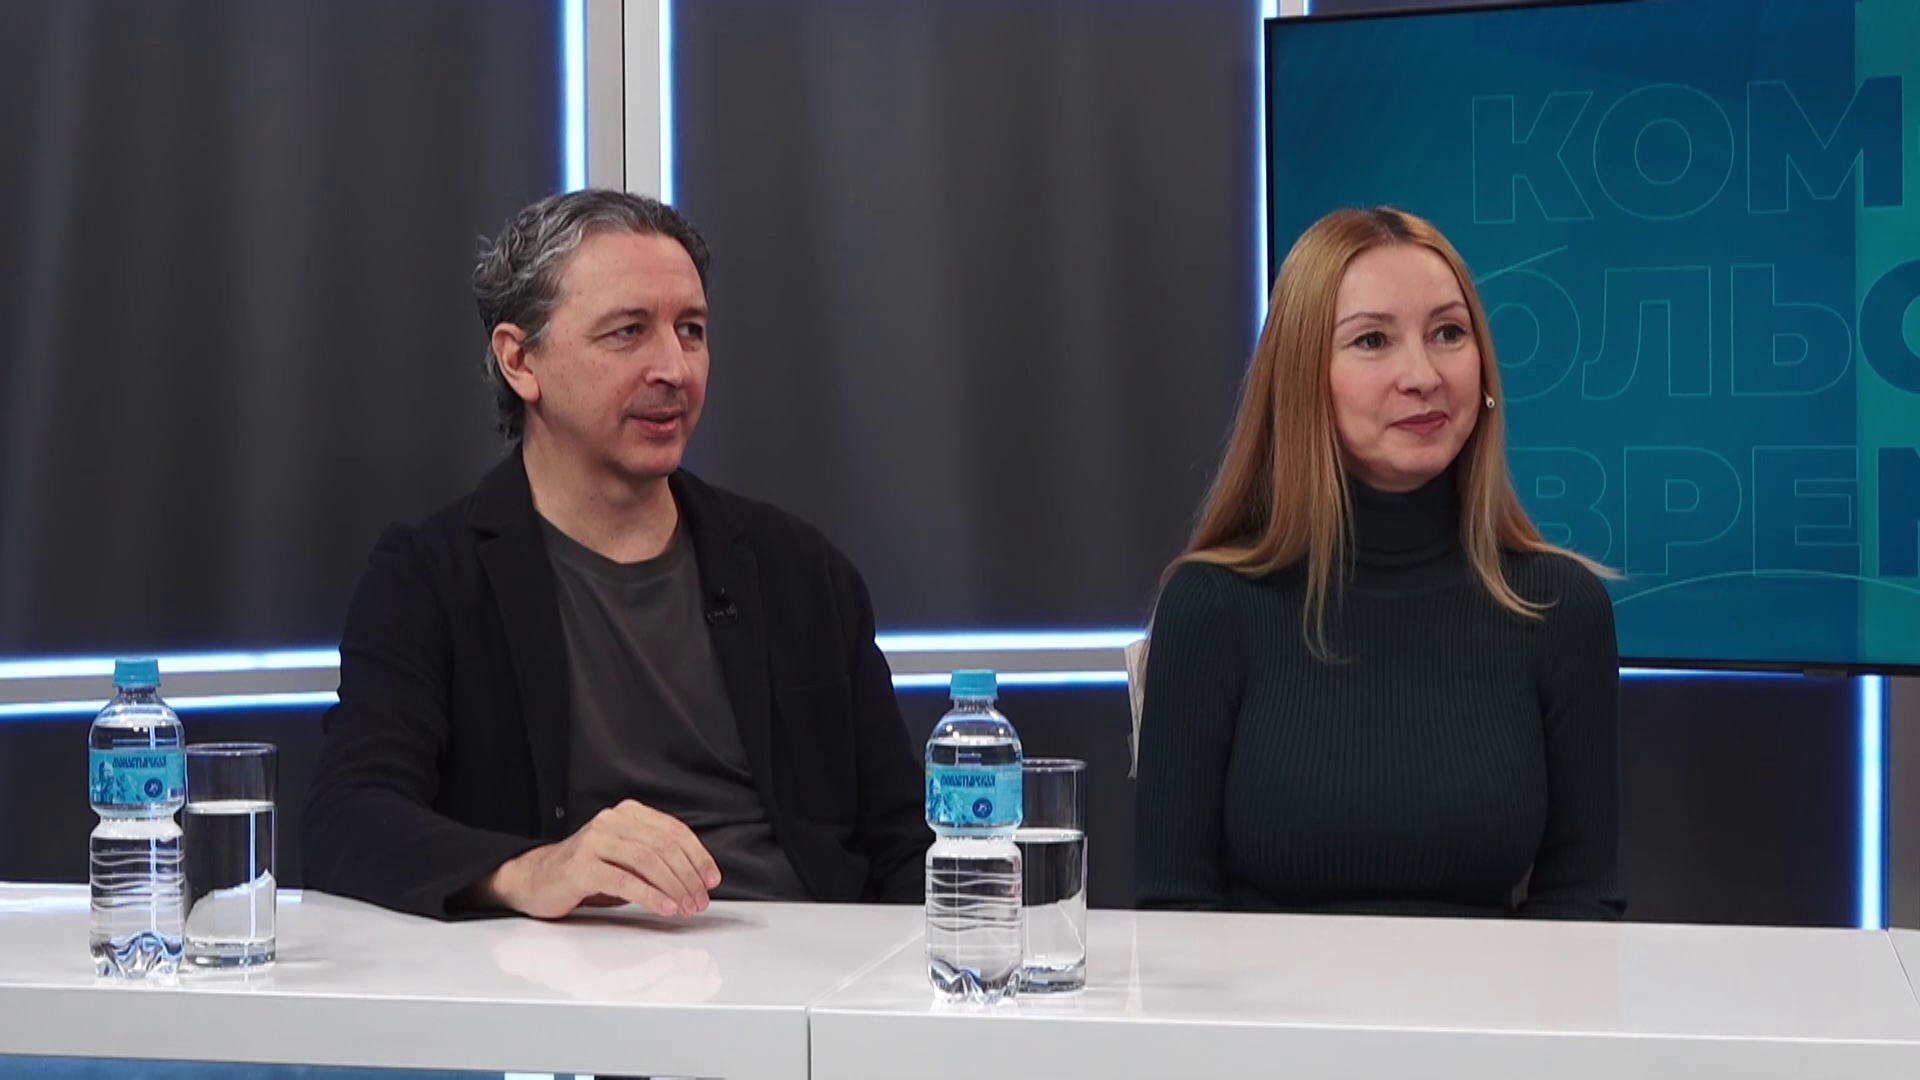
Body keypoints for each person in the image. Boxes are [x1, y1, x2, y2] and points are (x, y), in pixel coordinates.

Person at [303, 189, 929, 921]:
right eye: (628, 332)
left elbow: (905, 845)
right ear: (520, 360)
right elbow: (349, 819)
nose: (675, 369)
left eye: (691, 331)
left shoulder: (797, 570)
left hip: (802, 962)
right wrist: (531, 871)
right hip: (557, 974)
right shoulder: (431, 580)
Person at [1133, 206, 1624, 921]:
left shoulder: (1560, 608)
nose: (1423, 375)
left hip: (1486, 994)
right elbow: (1173, 911)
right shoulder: (1212, 606)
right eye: (1372, 340)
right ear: (1303, 378)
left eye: (1448, 333)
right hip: (1267, 997)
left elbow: (1584, 903)